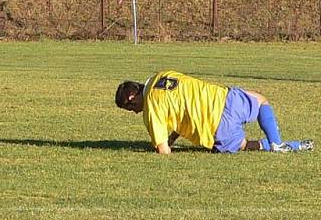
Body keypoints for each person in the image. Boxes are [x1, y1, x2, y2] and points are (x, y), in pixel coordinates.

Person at [115, 70, 314, 154]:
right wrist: (173, 137)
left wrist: (164, 145)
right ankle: (278, 143)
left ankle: (285, 146)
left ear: (132, 97)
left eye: (130, 108)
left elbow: (163, 150)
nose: (134, 112)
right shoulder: (163, 74)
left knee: (244, 145)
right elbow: (182, 103)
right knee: (261, 101)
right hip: (223, 99)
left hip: (216, 129)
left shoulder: (151, 108)